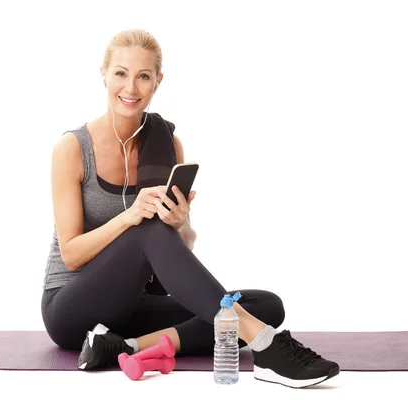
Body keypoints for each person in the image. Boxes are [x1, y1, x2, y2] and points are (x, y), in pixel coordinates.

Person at [41, 29, 339, 388]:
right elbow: (71, 255)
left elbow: (177, 252)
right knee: (148, 231)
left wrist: (180, 224)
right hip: (71, 308)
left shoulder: (168, 144)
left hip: (132, 308)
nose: (130, 88)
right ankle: (267, 346)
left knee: (264, 306)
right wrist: (131, 217)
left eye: (143, 76)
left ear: (158, 82)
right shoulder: (72, 149)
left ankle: (123, 347)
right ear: (103, 74)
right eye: (120, 73)